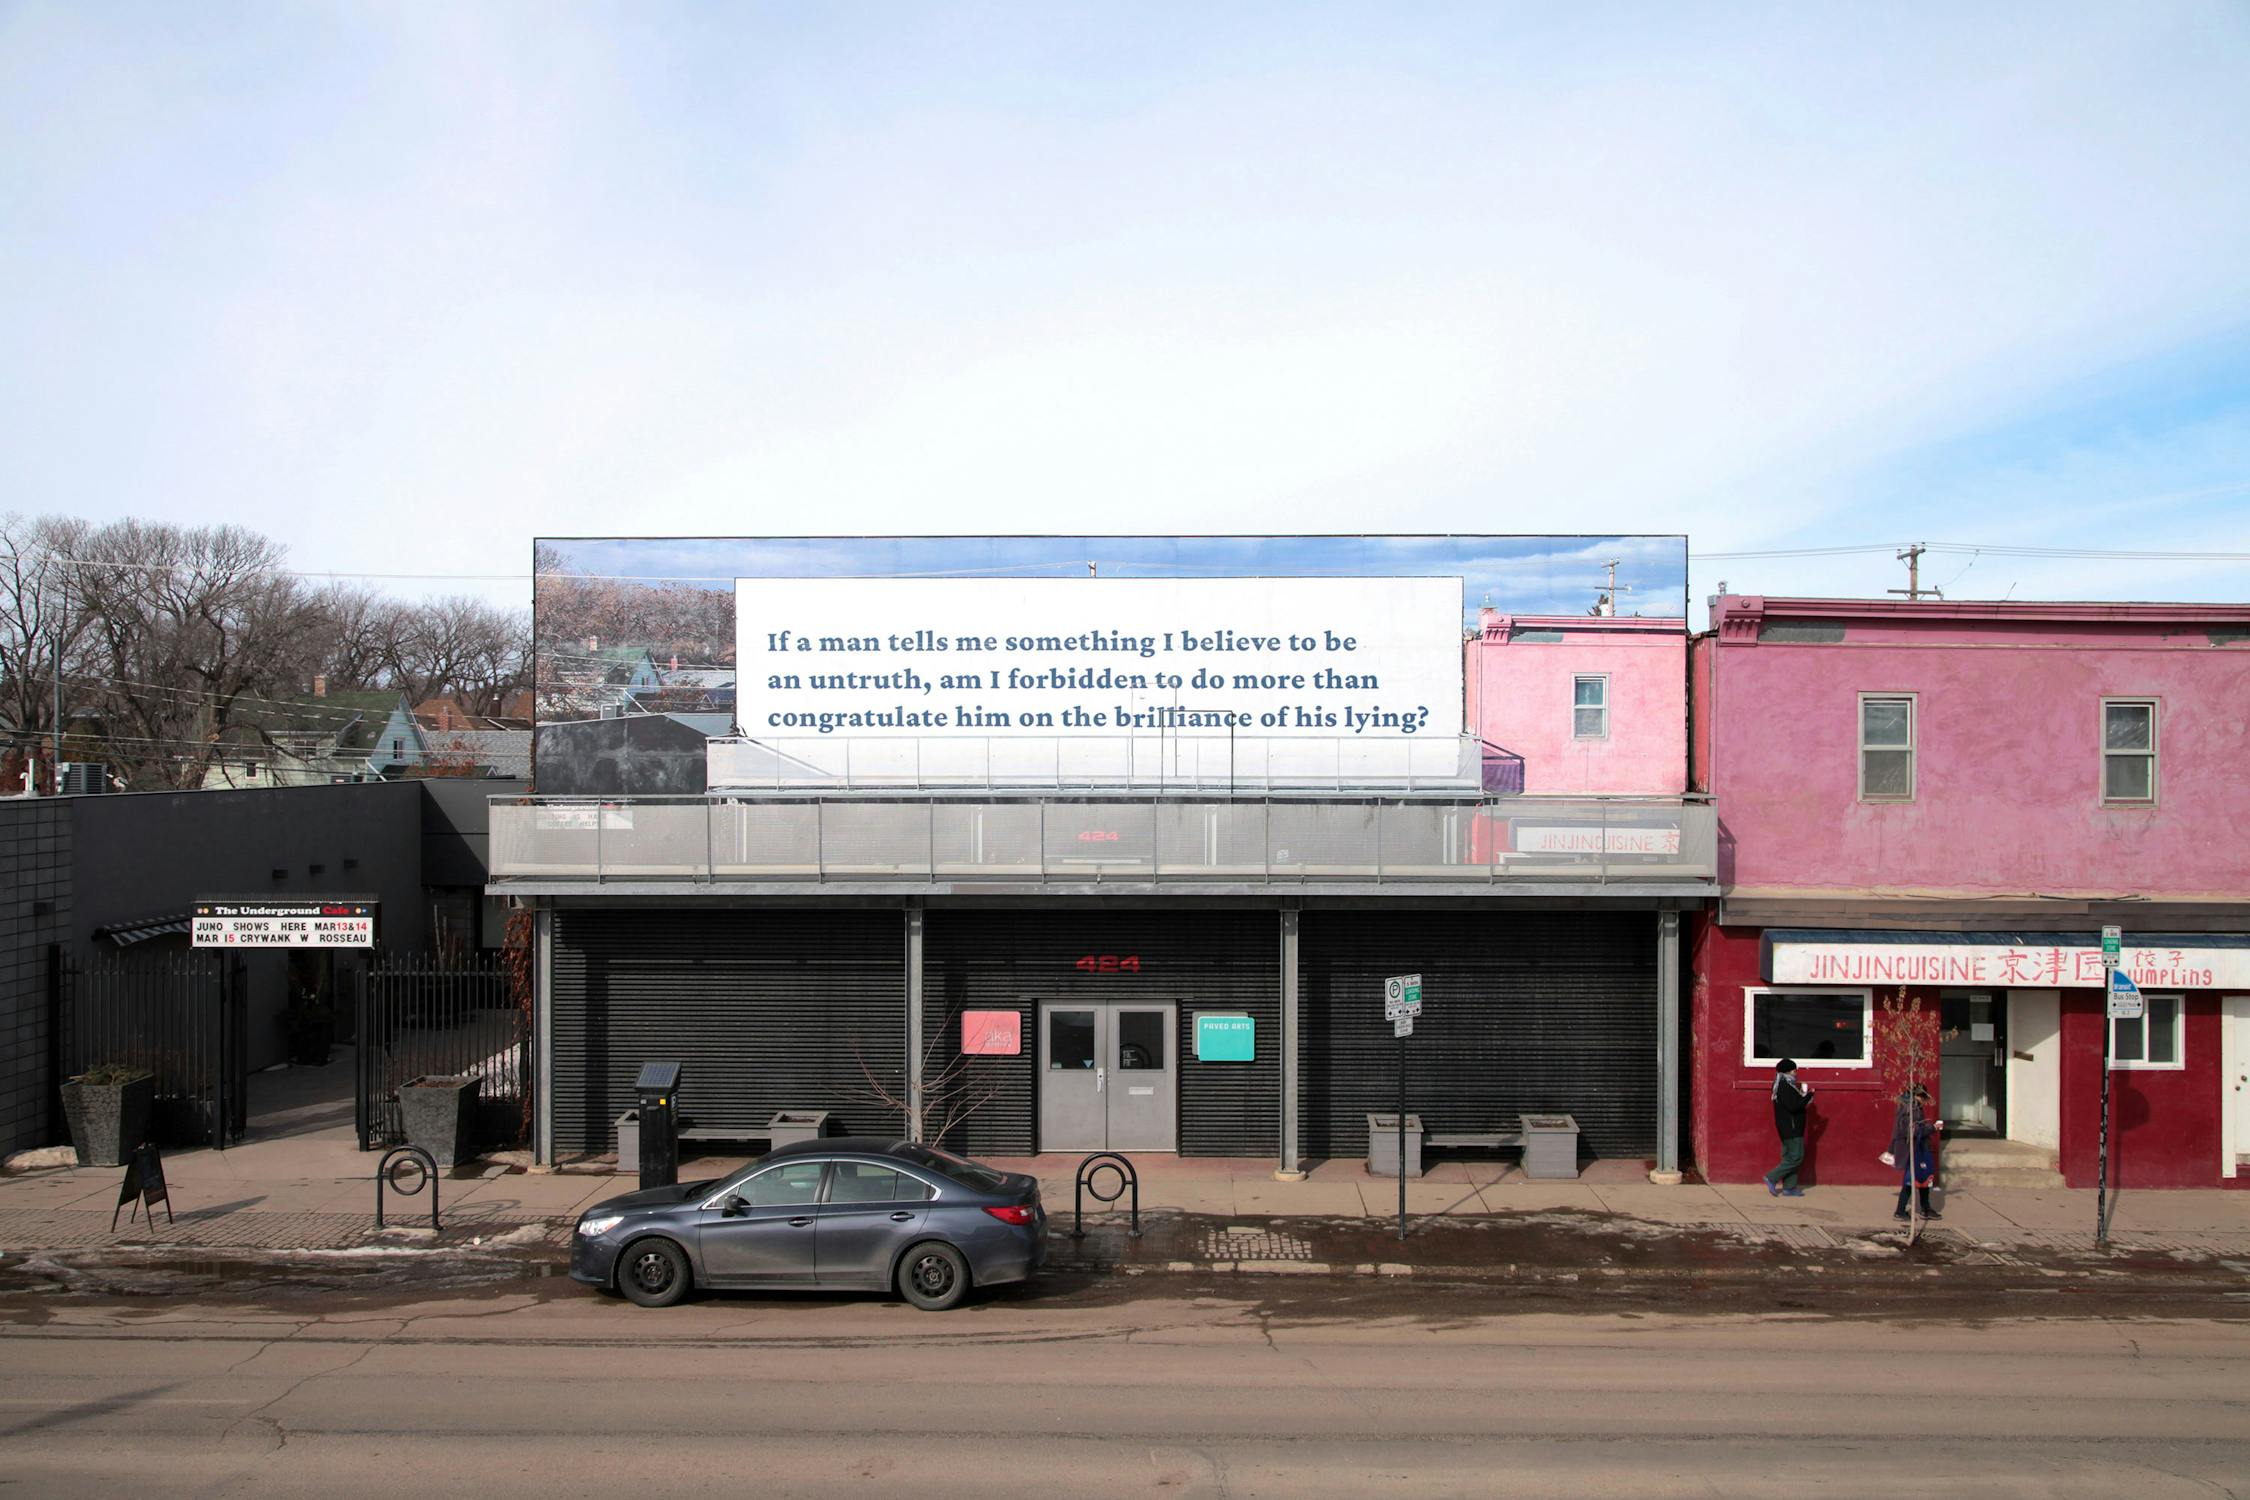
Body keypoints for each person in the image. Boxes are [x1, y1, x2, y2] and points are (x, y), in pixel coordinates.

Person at [1891, 1084, 1943, 1221]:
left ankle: (1925, 1208)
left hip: (1918, 1147)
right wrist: (1932, 1128)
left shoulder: (1913, 1106)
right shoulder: (1910, 1108)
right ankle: (1900, 1211)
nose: (1924, 1100)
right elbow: (1911, 1130)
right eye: (1923, 1097)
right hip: (1912, 1149)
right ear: (1916, 1095)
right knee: (1911, 1179)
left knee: (1923, 1178)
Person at [1764, 1058, 1813, 1197]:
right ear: (1788, 1071)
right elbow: (1794, 1106)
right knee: (1797, 1156)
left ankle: (1789, 1187)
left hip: (1786, 1126)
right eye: (1794, 1070)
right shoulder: (1785, 1086)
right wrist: (1809, 1095)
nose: (1796, 1073)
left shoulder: (1781, 1085)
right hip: (1792, 1127)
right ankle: (1772, 1177)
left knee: (1789, 1156)